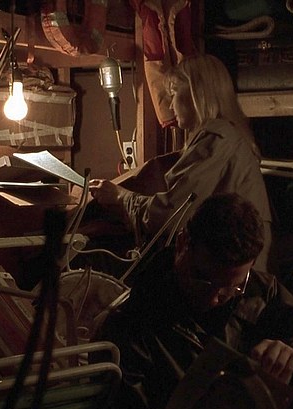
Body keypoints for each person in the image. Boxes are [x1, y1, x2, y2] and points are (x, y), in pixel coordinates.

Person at [91, 193, 293, 409]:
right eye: (202, 279)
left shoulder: (259, 290)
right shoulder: (129, 324)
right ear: (182, 243)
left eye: (230, 287)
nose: (214, 298)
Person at [87, 54, 273, 273]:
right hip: (228, 267)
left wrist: (121, 197)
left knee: (95, 261)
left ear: (197, 94)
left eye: (174, 93)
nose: (170, 104)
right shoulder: (222, 137)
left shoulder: (217, 139)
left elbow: (171, 215)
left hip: (229, 275)